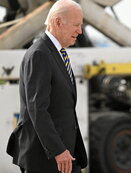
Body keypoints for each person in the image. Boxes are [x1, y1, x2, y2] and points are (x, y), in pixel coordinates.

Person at [6, 0, 87, 172]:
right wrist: (58, 150)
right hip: (46, 159)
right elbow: (37, 109)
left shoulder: (55, 53)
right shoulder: (39, 54)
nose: (80, 31)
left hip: (64, 156)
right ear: (58, 22)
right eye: (76, 25)